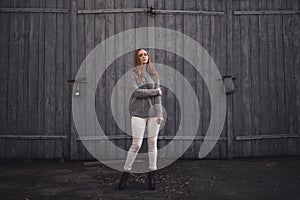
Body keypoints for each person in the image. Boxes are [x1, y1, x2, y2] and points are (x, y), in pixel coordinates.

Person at [118, 48, 163, 190]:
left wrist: (160, 113)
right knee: (136, 145)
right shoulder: (133, 74)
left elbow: (158, 98)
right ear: (137, 58)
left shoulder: (154, 75)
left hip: (153, 115)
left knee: (152, 144)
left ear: (148, 57)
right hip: (138, 114)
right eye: (141, 55)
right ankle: (125, 174)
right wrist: (156, 91)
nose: (144, 56)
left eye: (145, 54)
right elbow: (137, 92)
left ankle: (152, 175)